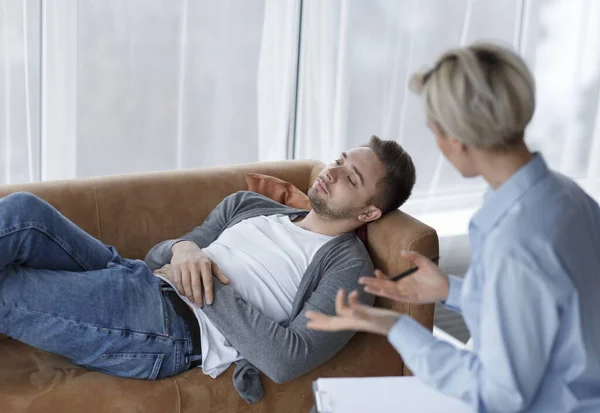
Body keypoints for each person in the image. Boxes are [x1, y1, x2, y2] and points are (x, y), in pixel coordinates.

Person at [0, 136, 416, 403]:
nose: (333, 172)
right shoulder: (248, 206)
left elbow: (287, 358)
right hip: (136, 278)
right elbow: (156, 257)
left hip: (169, 327)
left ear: (369, 211)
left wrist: (206, 285)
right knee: (23, 211)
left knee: (8, 291)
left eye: (352, 177)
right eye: (340, 159)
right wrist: (184, 250)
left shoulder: (348, 269)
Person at [306, 42, 600, 413]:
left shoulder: (515, 239)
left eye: (434, 131)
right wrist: (451, 291)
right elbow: (545, 313)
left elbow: (499, 395)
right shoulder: (568, 196)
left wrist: (397, 327)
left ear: (456, 141)